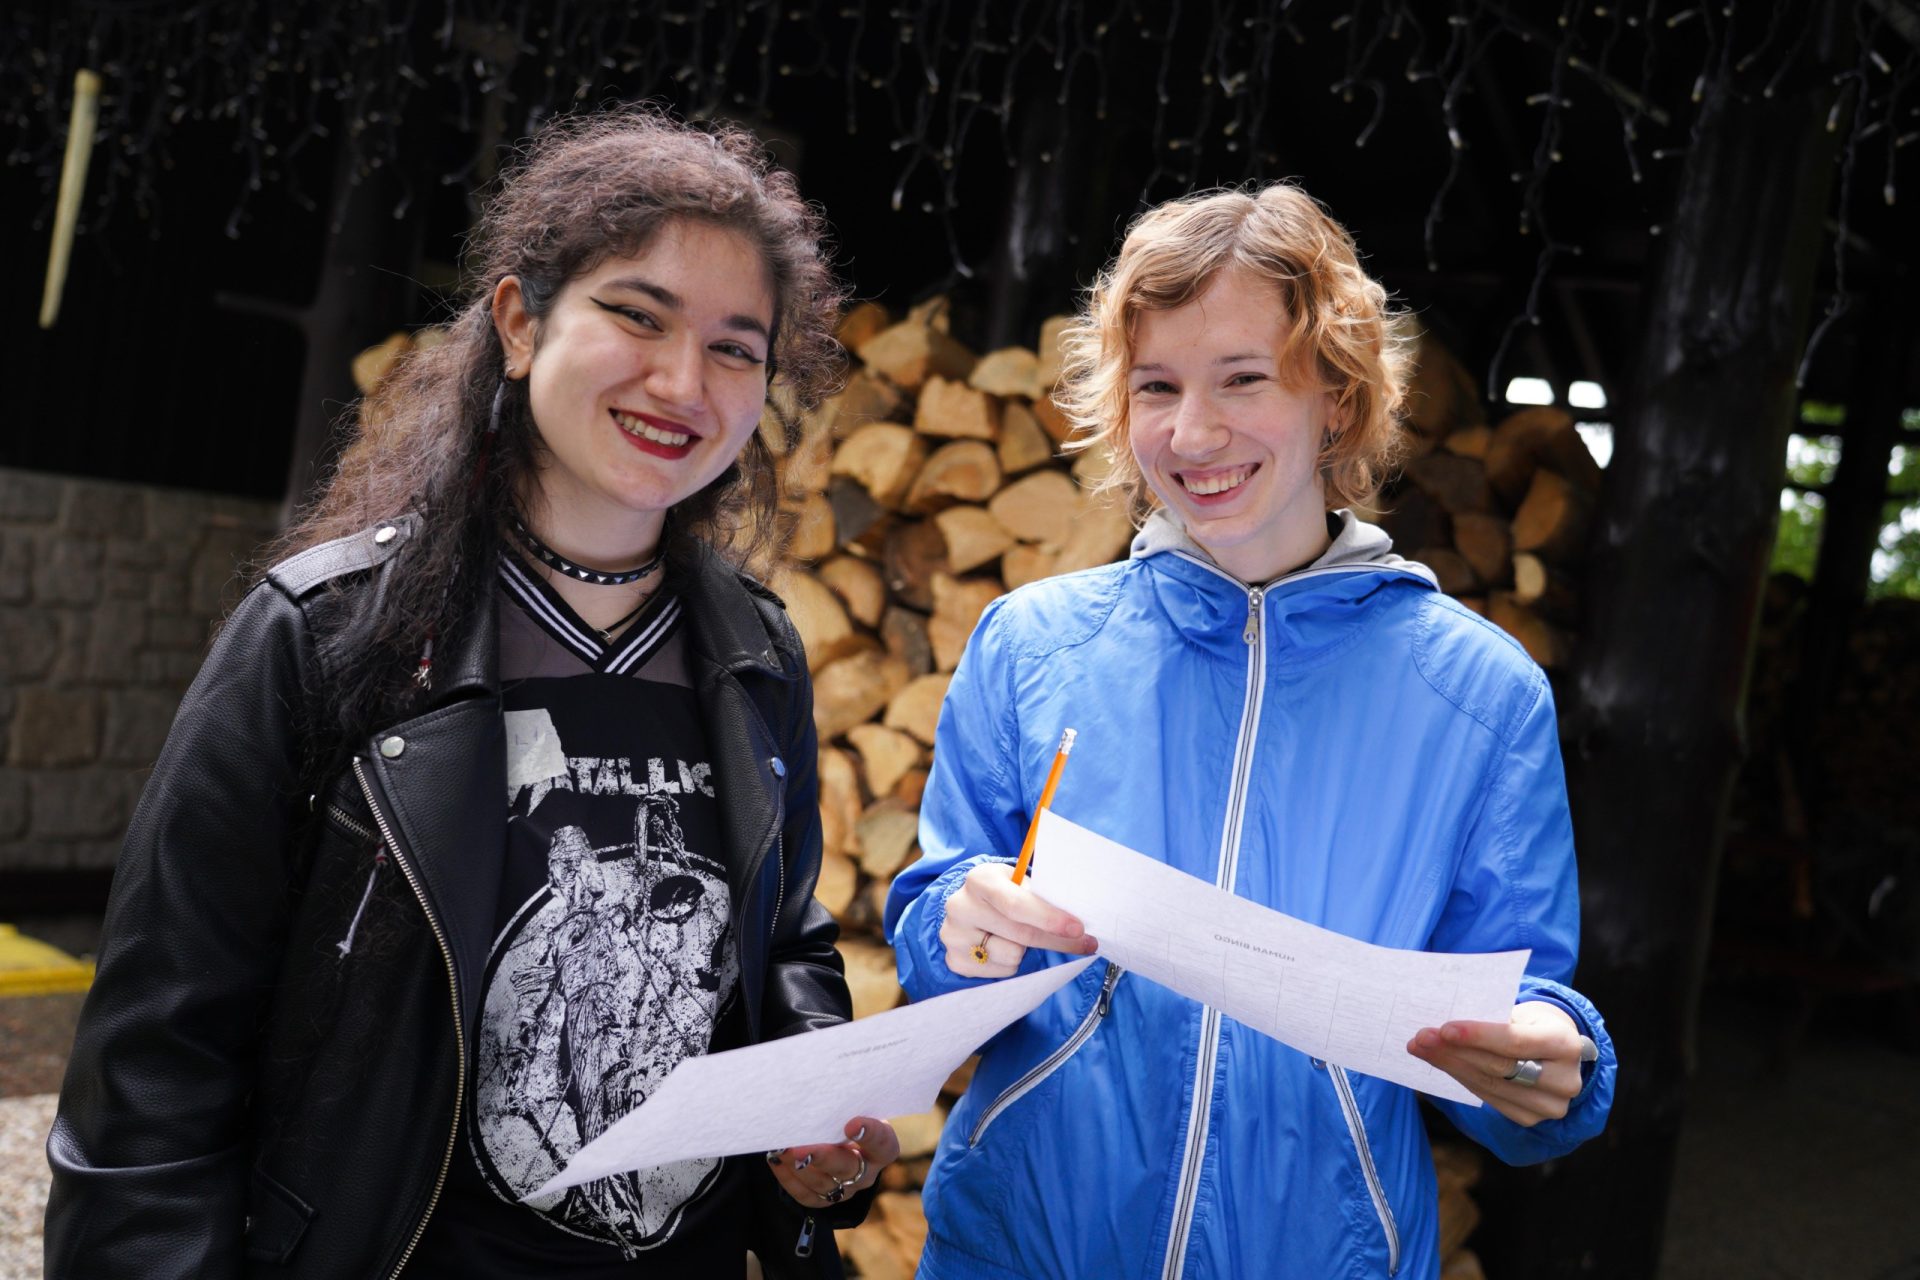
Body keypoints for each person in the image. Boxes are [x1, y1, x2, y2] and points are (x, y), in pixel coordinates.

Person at [45, 107, 898, 1279]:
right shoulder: (324, 630)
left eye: (734, 348)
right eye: (637, 315)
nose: (681, 380)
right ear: (519, 322)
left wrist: (811, 1103)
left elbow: (783, 934)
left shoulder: (757, 652)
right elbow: (156, 1061)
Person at [884, 183, 1616, 1280]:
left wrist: (1546, 1066)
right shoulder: (1028, 643)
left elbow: (1520, 1021)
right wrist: (955, 925)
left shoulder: (1481, 695)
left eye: (1242, 379)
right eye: (1156, 385)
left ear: (1338, 398)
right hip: (1022, 1247)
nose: (1191, 432)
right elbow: (936, 929)